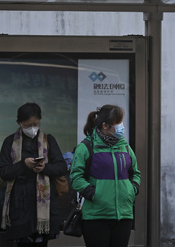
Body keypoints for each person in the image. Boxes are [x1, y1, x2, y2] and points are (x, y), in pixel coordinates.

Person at [70, 105, 141, 247]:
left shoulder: (125, 147)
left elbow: (135, 173)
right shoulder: (86, 147)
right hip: (96, 216)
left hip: (124, 215)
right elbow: (76, 177)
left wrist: (132, 190)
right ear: (105, 126)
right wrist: (94, 194)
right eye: (118, 123)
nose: (122, 126)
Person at [0, 102, 67, 247]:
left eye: (35, 124)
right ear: (19, 123)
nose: (32, 128)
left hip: (44, 205)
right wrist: (24, 164)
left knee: (42, 243)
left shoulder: (49, 140)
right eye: (28, 125)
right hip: (19, 203)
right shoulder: (10, 142)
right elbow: (3, 172)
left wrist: (44, 167)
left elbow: (61, 167)